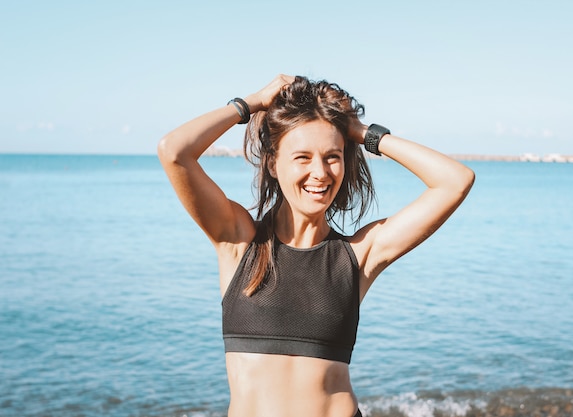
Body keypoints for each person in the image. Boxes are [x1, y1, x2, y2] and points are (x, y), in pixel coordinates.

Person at [158, 74, 475, 417]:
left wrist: (360, 132)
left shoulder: (359, 255)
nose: (320, 172)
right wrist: (252, 103)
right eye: (303, 157)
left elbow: (455, 180)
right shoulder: (238, 240)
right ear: (272, 163)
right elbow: (174, 152)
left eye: (332, 156)